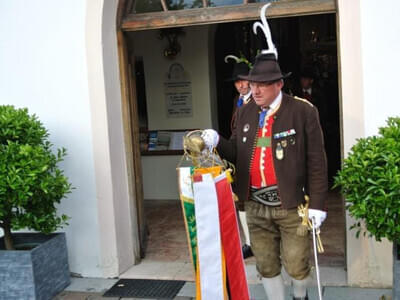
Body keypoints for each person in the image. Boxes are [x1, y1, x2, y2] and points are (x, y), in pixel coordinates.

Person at [201, 52, 328, 300]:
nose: (255, 90)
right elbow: (237, 151)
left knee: (296, 266)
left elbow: (317, 161)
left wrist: (318, 204)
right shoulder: (246, 111)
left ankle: (300, 296)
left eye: (262, 84)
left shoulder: (302, 111)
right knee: (266, 264)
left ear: (279, 84)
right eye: (253, 84)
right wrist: (216, 140)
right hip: (255, 204)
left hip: (291, 205)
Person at [224, 55, 254, 259]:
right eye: (237, 81)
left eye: (244, 80)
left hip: (255, 157)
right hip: (239, 158)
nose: (241, 85)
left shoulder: (259, 99)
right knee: (241, 201)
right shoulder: (238, 100)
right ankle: (249, 243)